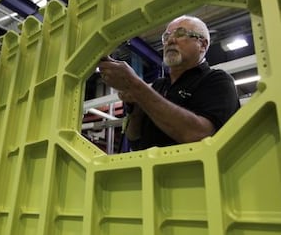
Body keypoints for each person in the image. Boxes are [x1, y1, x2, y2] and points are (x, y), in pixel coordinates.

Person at [98, 15, 240, 150]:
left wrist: (136, 85)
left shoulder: (218, 81)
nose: (170, 40)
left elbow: (199, 135)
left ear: (202, 44)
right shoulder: (159, 85)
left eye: (180, 34)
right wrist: (136, 105)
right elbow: (135, 139)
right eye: (166, 36)